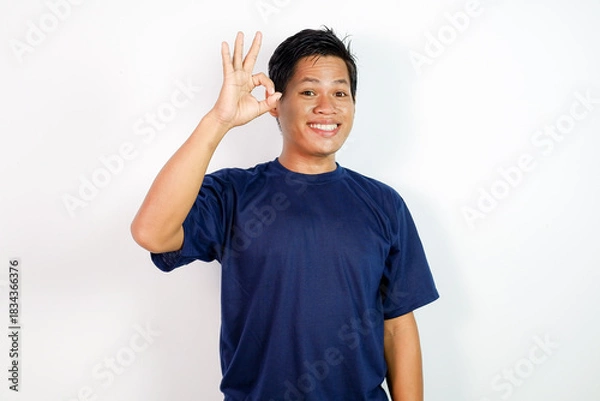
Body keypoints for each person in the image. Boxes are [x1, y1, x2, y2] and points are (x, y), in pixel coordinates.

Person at [131, 27, 439, 401]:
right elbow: (151, 232)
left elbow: (398, 326)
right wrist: (219, 120)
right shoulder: (233, 194)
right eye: (309, 91)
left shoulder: (384, 204)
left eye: (340, 93)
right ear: (276, 102)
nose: (327, 106)